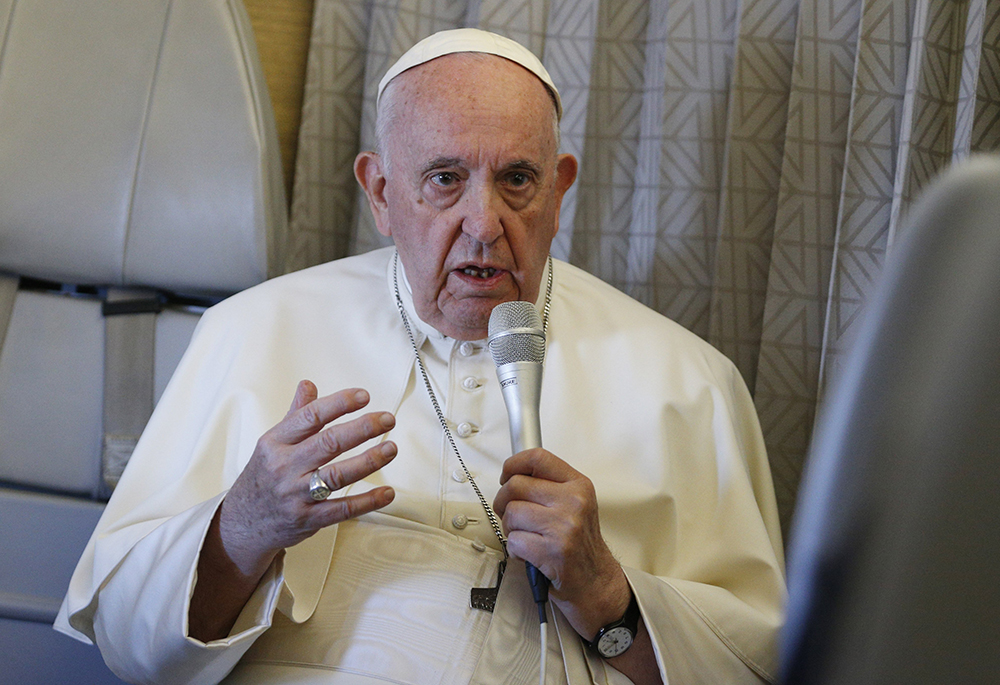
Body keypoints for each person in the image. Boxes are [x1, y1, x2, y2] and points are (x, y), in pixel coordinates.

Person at [55, 29, 785, 685]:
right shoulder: (251, 331)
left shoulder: (689, 383)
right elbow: (128, 645)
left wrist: (606, 594)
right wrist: (245, 525)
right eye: (444, 178)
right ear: (380, 190)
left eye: (516, 181)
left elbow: (757, 666)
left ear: (558, 191)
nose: (483, 225)